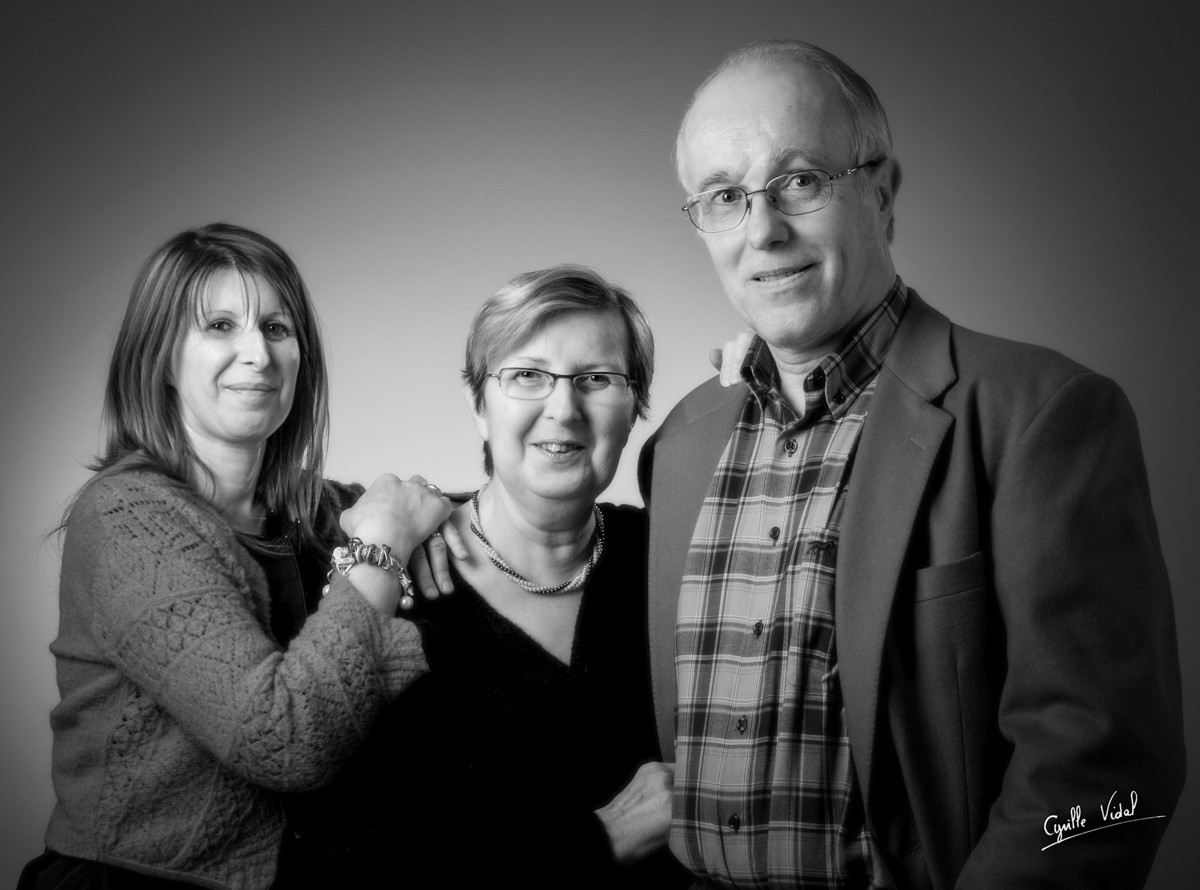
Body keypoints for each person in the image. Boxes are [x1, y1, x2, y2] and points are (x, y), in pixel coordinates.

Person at [638, 40, 1185, 889]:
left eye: (799, 181)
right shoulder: (679, 444)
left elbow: (1105, 772)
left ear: (882, 193)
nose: (763, 231)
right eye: (724, 197)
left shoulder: (1040, 415)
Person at [19, 223, 452, 890]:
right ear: (161, 356)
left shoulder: (315, 510)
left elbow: (447, 526)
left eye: (278, 329)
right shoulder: (127, 516)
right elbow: (288, 740)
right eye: (220, 325)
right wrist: (384, 550)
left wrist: (415, 507)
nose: (258, 354)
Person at [274, 265, 688, 890]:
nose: (564, 408)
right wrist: (598, 839)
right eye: (527, 375)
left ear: (635, 408)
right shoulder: (388, 583)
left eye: (597, 379)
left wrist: (757, 373)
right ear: (477, 405)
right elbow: (330, 865)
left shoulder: (671, 558)